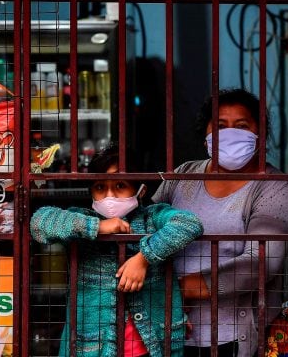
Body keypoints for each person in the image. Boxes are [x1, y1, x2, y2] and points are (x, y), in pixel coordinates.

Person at [152, 89, 288, 357]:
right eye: (220, 126)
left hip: (232, 339)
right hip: (167, 335)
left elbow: (261, 262)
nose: (230, 133)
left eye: (242, 126)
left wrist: (177, 290)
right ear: (207, 134)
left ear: (260, 135)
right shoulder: (184, 175)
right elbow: (145, 229)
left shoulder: (276, 187)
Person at [30, 143, 204, 357]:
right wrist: (97, 227)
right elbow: (39, 222)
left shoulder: (153, 217)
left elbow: (189, 224)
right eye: (100, 187)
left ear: (140, 189)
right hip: (92, 348)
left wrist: (143, 258)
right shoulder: (83, 220)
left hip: (154, 346)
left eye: (120, 185)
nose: (109, 196)